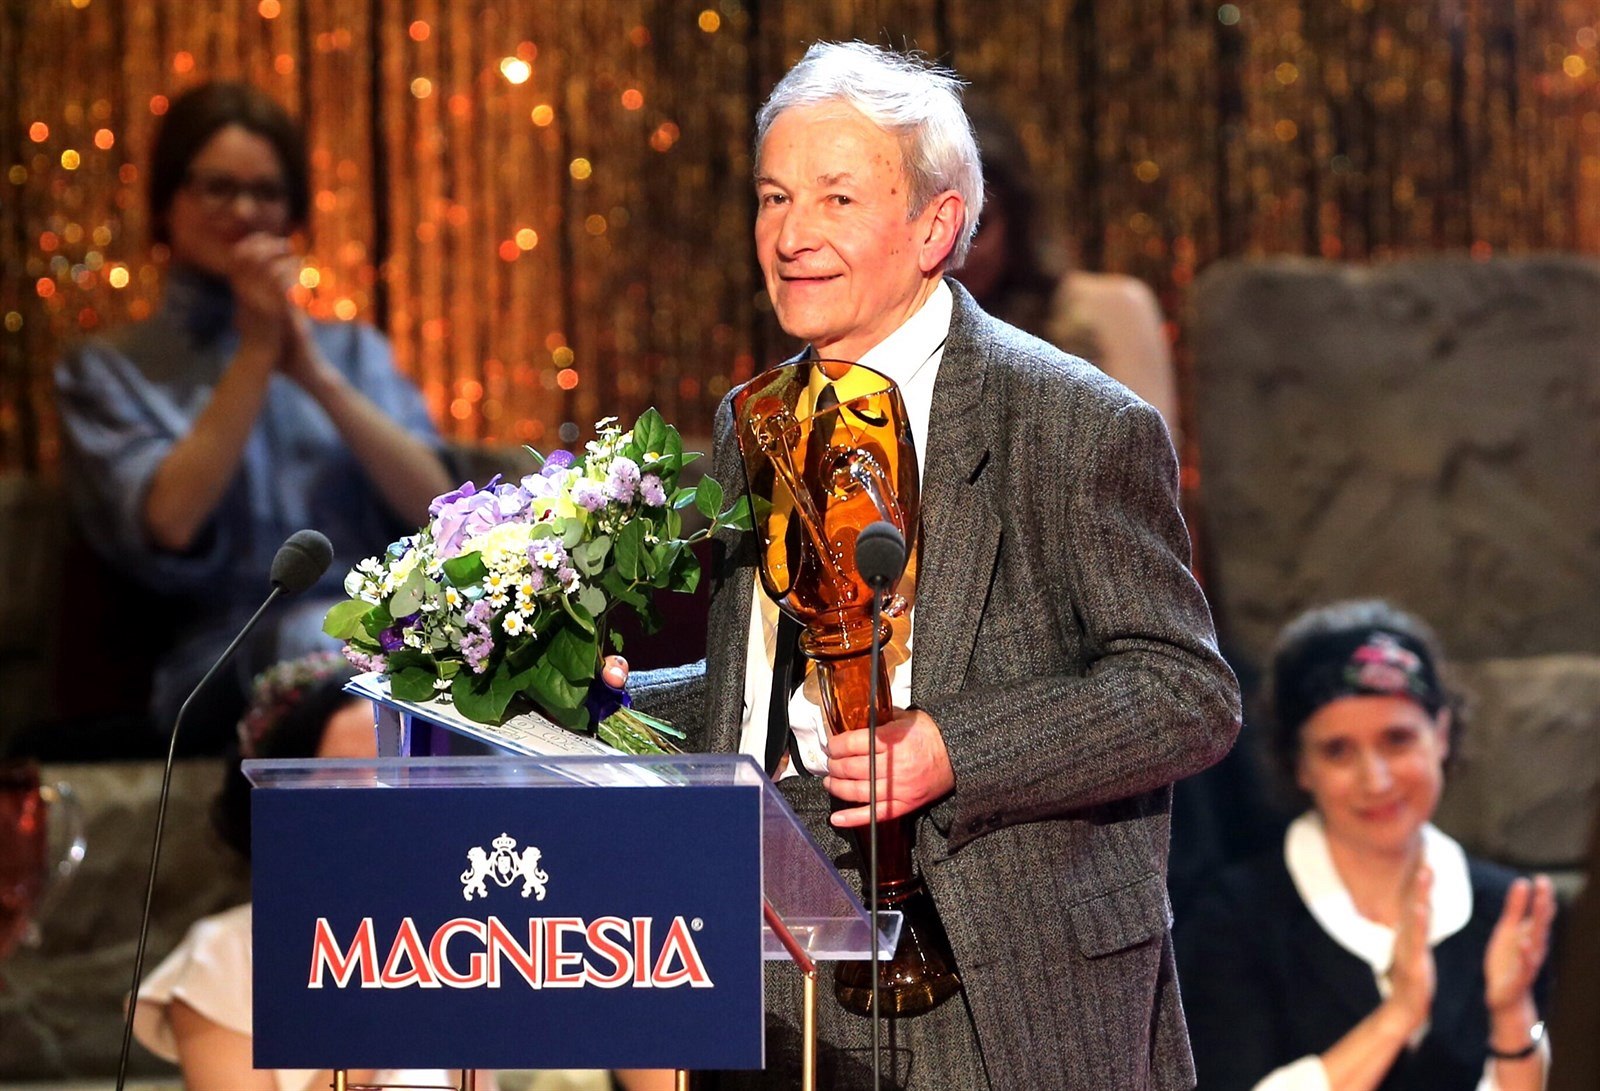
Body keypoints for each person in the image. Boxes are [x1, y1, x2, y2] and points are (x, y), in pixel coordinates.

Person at [621, 41, 1241, 1089]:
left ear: (935, 227)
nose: (791, 235)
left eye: (835, 198)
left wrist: (954, 747)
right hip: (774, 959)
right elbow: (761, 693)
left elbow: (1187, 692)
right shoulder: (750, 420)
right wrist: (611, 708)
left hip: (1002, 972)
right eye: (773, 198)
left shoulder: (1072, 424)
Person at [54, 81, 451, 751]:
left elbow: (439, 506)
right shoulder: (108, 367)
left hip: (378, 629)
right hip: (219, 659)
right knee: (338, 643)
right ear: (167, 202)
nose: (244, 211)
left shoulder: (351, 351)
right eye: (218, 188)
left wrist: (317, 377)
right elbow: (170, 521)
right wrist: (256, 353)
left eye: (266, 192)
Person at [1175, 600, 1555, 1091]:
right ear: (1300, 765)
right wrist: (1398, 1016)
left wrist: (1510, 1015)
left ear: (1440, 735)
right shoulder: (1233, 918)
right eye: (1337, 751)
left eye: (1397, 740)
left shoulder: (1507, 909)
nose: (1375, 781)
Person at [131, 651, 466, 1090]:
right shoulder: (225, 955)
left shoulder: (454, 939)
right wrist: (390, 989)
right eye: (344, 781)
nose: (376, 802)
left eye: (392, 777)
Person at [953, 101, 1182, 445]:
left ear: (1018, 221)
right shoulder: (892, 331)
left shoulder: (1109, 310)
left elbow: (1150, 466)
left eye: (977, 227)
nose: (956, 255)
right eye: (935, 229)